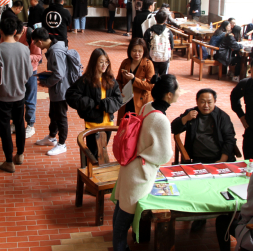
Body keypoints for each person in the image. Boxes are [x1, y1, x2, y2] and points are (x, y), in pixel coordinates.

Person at [113, 74, 177, 251]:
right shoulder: (161, 120)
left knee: (120, 211)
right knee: (123, 222)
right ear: (169, 95)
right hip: (139, 173)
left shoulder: (148, 106)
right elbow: (165, 155)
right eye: (177, 90)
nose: (179, 92)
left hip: (130, 164)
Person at [0, 18, 33, 172]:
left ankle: (9, 161)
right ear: (15, 31)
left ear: (1, 31)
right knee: (20, 123)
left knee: (4, 127)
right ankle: (20, 154)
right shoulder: (24, 49)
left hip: (2, 95)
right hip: (20, 94)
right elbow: (29, 73)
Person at [66, 48, 122, 159]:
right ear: (94, 63)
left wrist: (105, 104)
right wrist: (90, 103)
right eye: (101, 62)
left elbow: (118, 99)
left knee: (102, 152)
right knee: (92, 154)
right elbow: (70, 95)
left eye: (106, 62)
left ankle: (95, 169)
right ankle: (88, 169)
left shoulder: (110, 79)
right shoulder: (86, 80)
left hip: (108, 124)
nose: (104, 65)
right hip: (92, 124)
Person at [32, 27, 72, 156]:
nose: (36, 46)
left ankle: (62, 144)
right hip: (57, 89)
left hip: (61, 89)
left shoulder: (55, 51)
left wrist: (46, 82)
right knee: (54, 114)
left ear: (40, 41)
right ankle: (51, 137)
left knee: (61, 116)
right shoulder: (55, 46)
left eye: (35, 42)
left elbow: (59, 74)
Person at [171, 88, 236, 163]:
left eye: (209, 102)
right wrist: (185, 118)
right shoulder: (191, 113)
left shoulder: (222, 117)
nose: (206, 105)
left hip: (218, 157)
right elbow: (173, 128)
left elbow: (229, 139)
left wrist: (222, 160)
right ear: (197, 101)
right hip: (198, 159)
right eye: (202, 102)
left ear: (214, 101)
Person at [116, 37, 155, 118]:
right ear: (130, 51)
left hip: (141, 101)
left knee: (138, 123)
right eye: (134, 50)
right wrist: (119, 91)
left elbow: (151, 86)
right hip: (126, 99)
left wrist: (134, 79)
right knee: (124, 123)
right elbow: (118, 80)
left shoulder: (148, 64)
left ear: (144, 51)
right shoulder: (125, 62)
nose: (137, 54)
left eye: (140, 51)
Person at [16, 22, 43, 139]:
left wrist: (24, 56)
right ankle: (15, 122)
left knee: (30, 99)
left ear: (21, 31)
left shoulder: (31, 34)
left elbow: (38, 56)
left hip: (30, 71)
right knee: (16, 98)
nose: (14, 39)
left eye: (15, 36)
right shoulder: (8, 34)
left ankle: (30, 125)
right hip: (16, 71)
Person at [144, 10, 174, 75]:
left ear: (155, 18)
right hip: (165, 58)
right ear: (165, 20)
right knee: (163, 77)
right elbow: (172, 46)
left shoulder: (149, 31)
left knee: (152, 75)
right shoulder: (168, 32)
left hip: (152, 57)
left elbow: (145, 45)